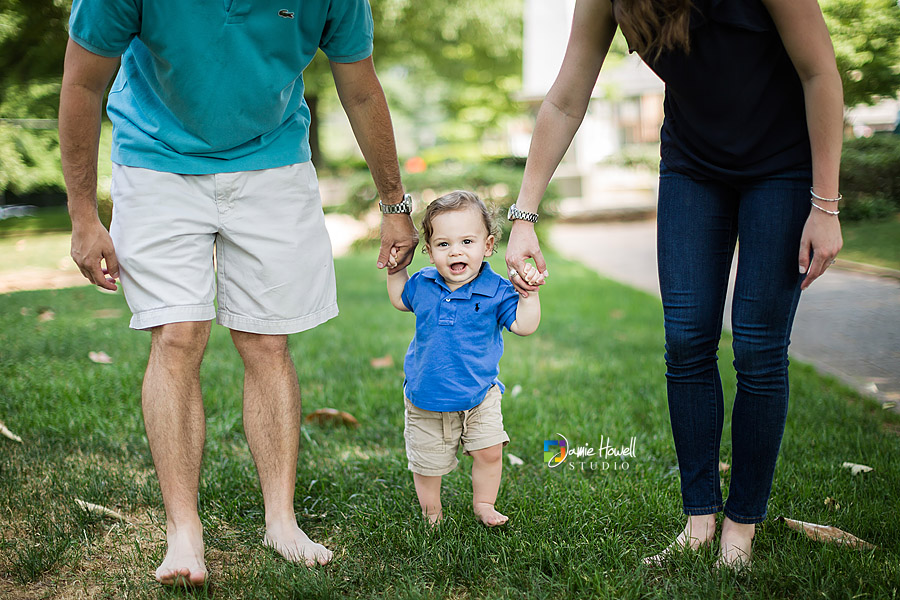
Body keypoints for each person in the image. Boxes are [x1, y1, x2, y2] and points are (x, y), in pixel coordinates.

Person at [59, 0, 417, 587]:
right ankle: (184, 531)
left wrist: (394, 204)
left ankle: (281, 521)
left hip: (272, 159)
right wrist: (82, 215)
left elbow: (360, 88)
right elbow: (82, 81)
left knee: (266, 341)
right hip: (155, 159)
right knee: (178, 335)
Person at [506, 0, 843, 569]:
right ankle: (700, 521)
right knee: (686, 342)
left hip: (783, 167)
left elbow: (820, 72)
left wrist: (826, 203)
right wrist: (524, 215)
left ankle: (742, 528)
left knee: (760, 350)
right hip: (693, 165)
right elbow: (566, 97)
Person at [386, 191, 542, 526]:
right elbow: (400, 298)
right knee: (428, 465)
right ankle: (432, 512)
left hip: (480, 395)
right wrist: (395, 267)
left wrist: (528, 297)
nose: (455, 251)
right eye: (443, 244)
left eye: (467, 241)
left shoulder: (498, 290)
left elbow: (524, 326)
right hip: (426, 397)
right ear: (428, 252)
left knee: (489, 451)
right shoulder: (425, 283)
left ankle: (484, 503)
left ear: (487, 246)